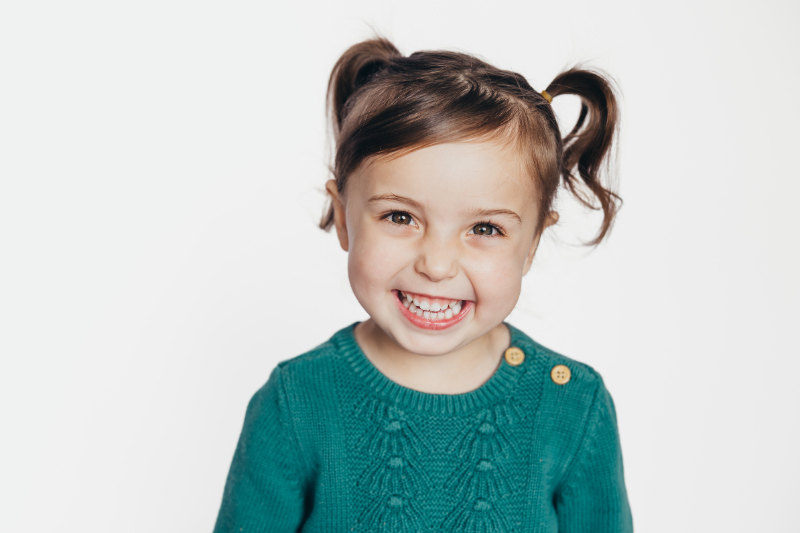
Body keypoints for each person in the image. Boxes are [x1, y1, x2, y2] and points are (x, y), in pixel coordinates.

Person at [213, 36, 632, 532]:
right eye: (399, 216)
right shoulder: (296, 401)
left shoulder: (572, 406)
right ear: (344, 217)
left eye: (484, 229)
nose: (436, 265)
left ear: (533, 243)